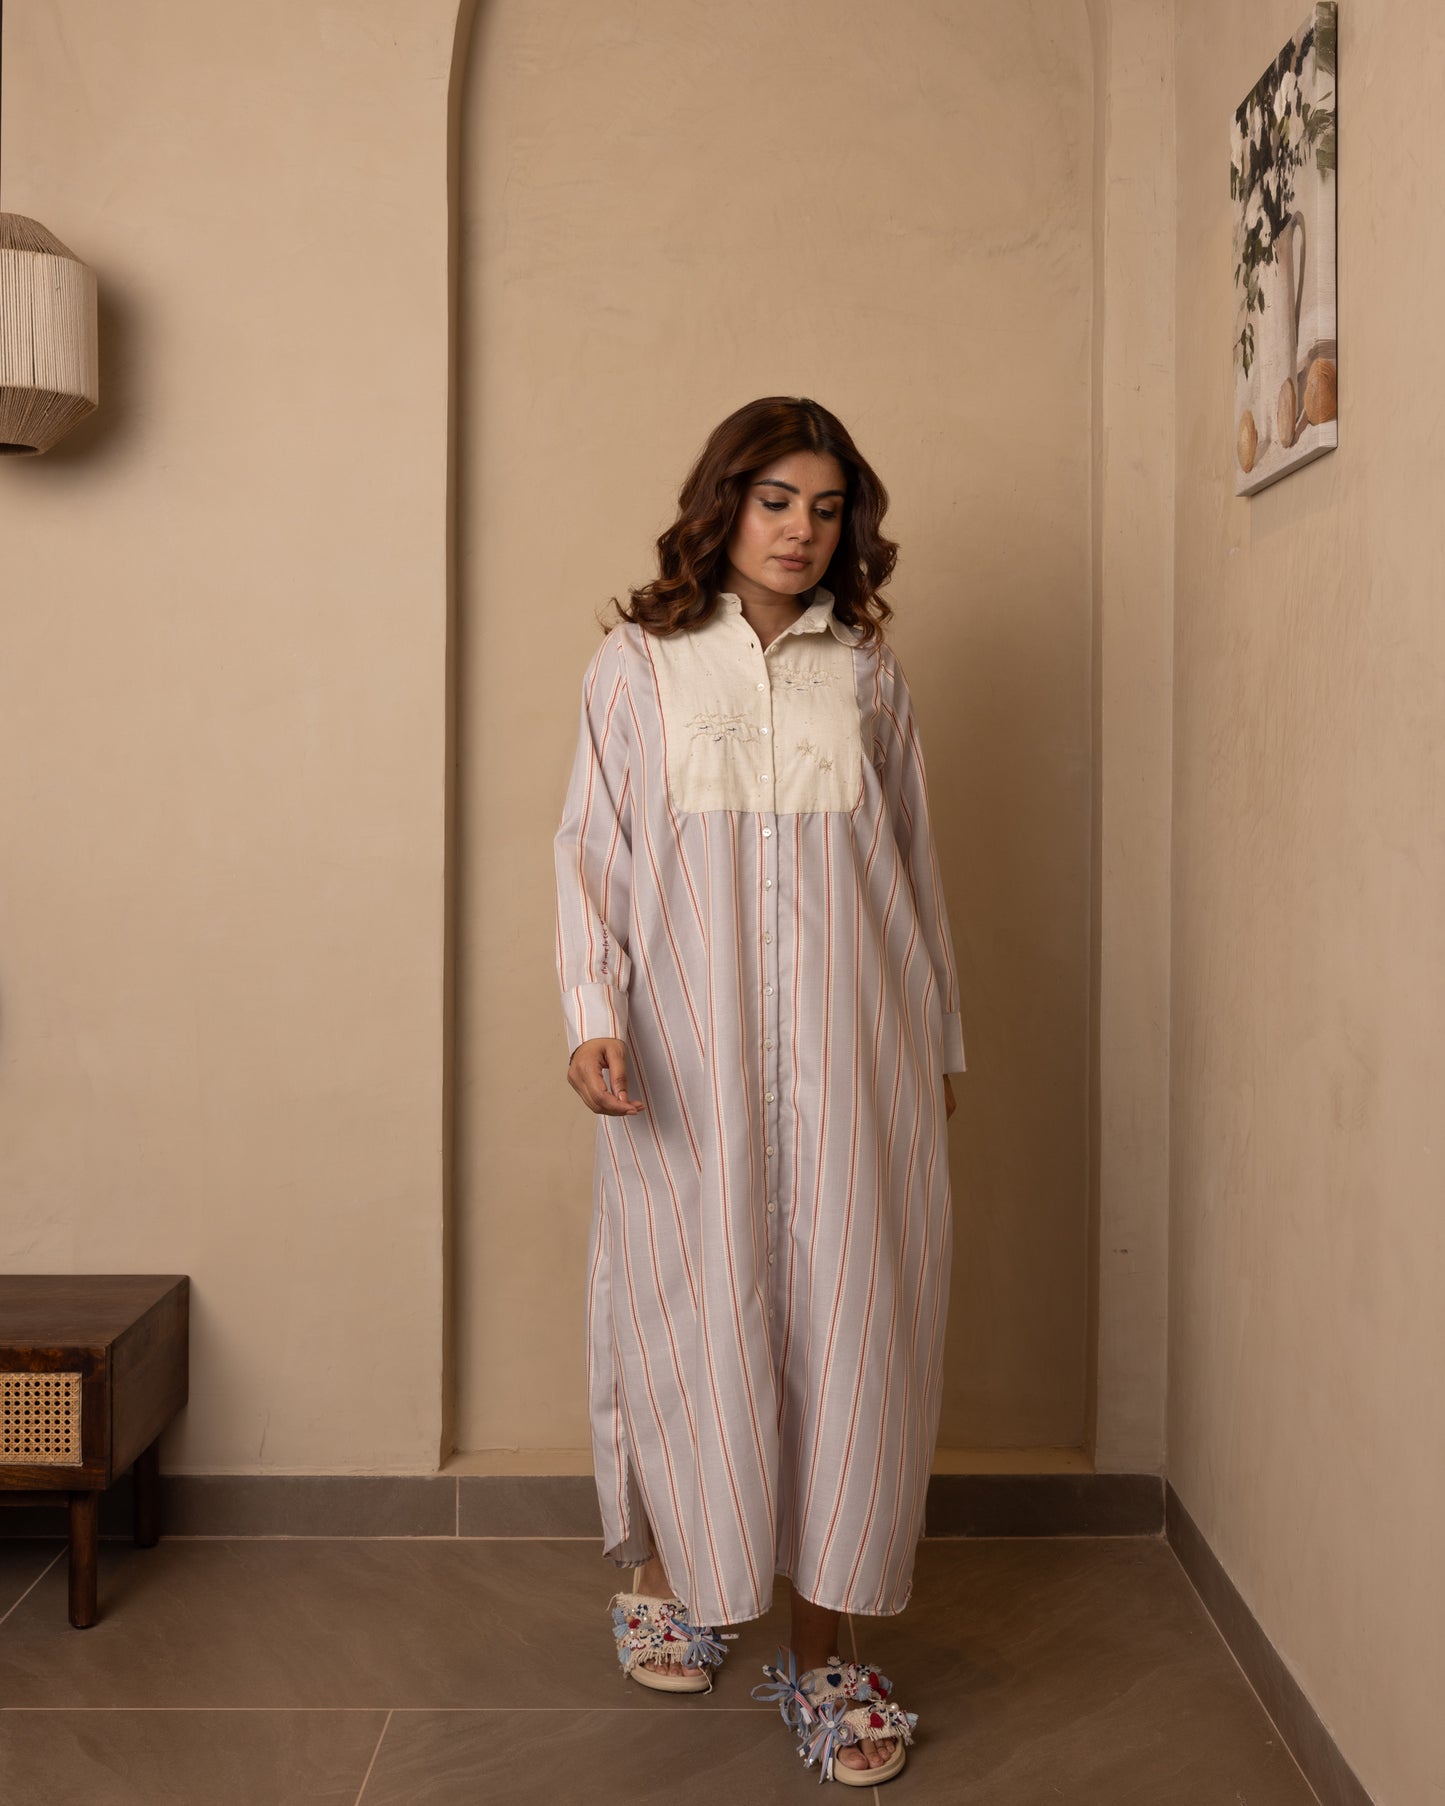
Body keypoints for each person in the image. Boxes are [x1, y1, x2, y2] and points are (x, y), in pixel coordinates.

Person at [553, 395, 966, 1786]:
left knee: (852, 1336)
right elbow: (592, 853)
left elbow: (913, 875)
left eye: (826, 508)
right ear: (722, 503)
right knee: (692, 1315)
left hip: (859, 1060)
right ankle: (673, 1573)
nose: (800, 531)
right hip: (687, 1058)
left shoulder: (868, 675)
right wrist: (592, 1014)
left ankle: (826, 1647)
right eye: (775, 500)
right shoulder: (638, 666)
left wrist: (937, 1049)